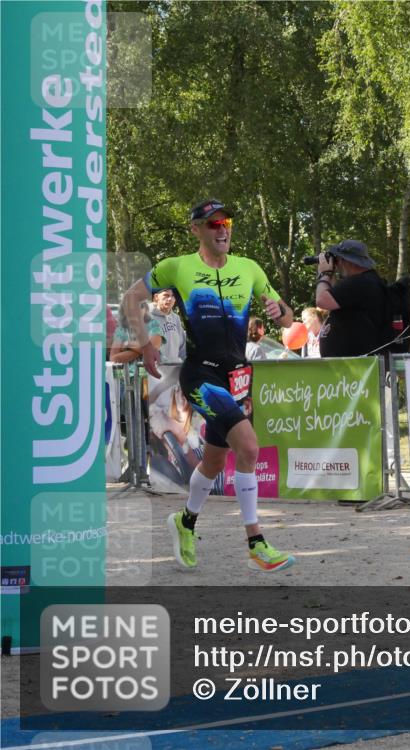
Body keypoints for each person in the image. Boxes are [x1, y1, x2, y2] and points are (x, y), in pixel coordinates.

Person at [123, 198, 296, 572]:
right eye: (213, 223)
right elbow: (131, 297)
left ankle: (184, 522)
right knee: (248, 447)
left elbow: (287, 318)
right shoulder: (177, 267)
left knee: (215, 460)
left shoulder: (249, 268)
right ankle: (256, 543)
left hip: (237, 378)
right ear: (196, 229)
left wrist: (278, 310)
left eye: (226, 223)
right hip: (201, 374)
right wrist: (145, 345)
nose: (222, 229)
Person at [315, 240, 388, 357]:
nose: (337, 264)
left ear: (347, 261)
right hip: (354, 361)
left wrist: (325, 274)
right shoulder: (366, 281)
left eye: (339, 260)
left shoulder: (361, 282)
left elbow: (322, 300)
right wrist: (330, 275)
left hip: (356, 363)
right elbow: (334, 298)